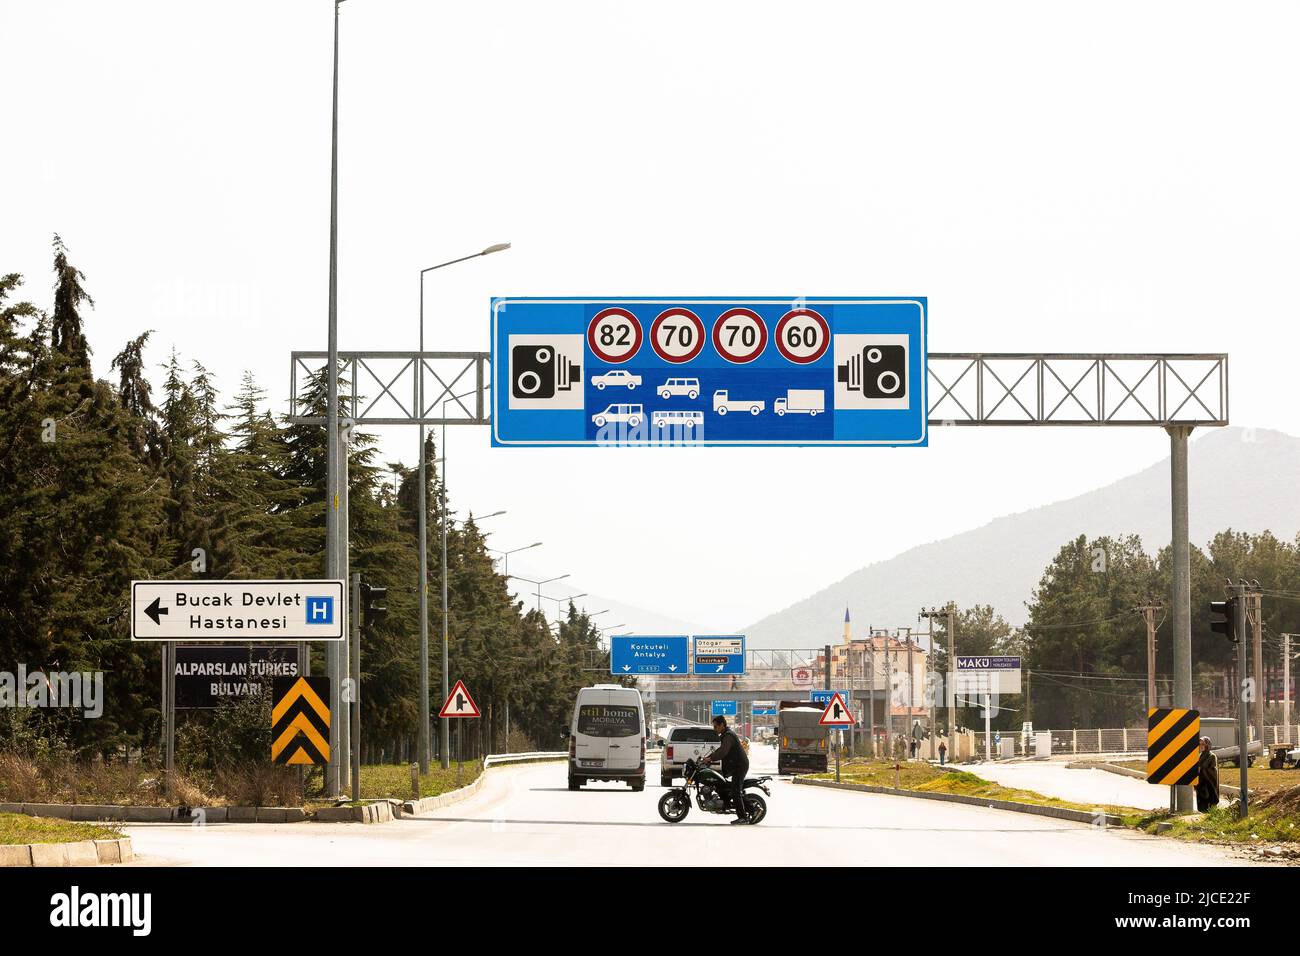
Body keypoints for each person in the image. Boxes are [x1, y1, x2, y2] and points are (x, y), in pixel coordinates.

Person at [703, 715, 751, 824]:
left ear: (722, 725)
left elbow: (723, 751)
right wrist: (709, 757)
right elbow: (720, 750)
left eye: (716, 727)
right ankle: (725, 803)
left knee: (735, 791)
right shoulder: (725, 735)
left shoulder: (728, 736)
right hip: (735, 765)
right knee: (721, 785)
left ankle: (743, 817)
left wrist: (711, 758)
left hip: (740, 766)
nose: (715, 729)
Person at [1195, 736, 1219, 812]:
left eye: (1203, 744)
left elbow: (1213, 770)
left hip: (1209, 784)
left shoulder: (1212, 756)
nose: (1201, 746)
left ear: (1207, 745)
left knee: (1210, 801)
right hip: (1201, 783)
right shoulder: (1199, 756)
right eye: (1200, 744)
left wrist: (1202, 769)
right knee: (1202, 803)